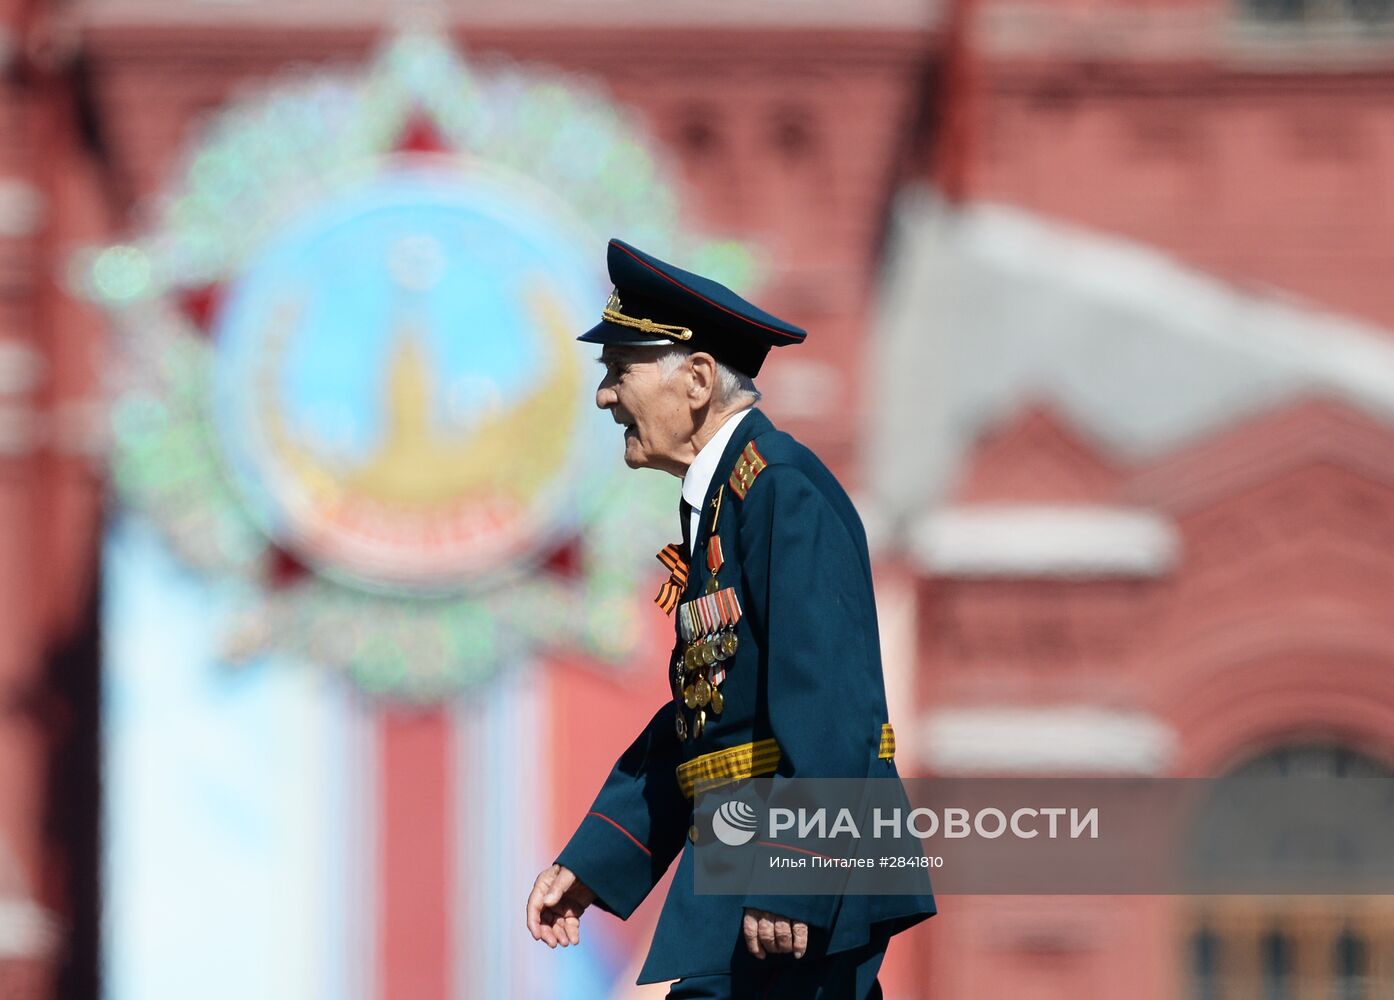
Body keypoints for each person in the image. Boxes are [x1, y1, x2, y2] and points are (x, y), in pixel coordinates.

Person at [526, 239, 934, 999]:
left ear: (698, 380)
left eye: (620, 371)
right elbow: (705, 721)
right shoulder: (727, 506)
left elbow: (833, 706)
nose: (605, 397)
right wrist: (597, 859)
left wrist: (795, 873)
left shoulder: (780, 491)